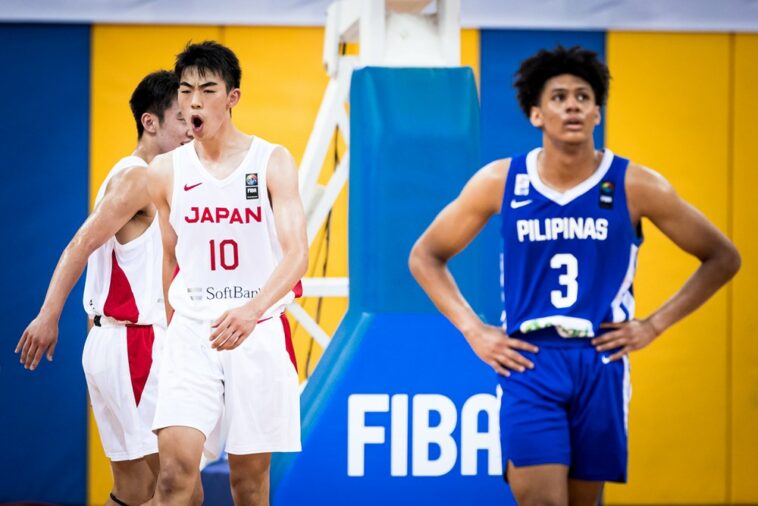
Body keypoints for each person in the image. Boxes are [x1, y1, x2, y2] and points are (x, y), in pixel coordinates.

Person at [408, 45, 740, 506]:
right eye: (559, 96)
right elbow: (425, 255)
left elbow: (723, 257)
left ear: (597, 112)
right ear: (535, 114)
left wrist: (653, 325)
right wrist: (474, 331)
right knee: (540, 501)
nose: (572, 105)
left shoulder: (634, 184)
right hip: (530, 358)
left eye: (583, 97)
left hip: (599, 359)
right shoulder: (502, 181)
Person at [15, 70, 192, 505]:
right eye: (182, 119)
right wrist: (48, 314)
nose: (192, 130)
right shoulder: (137, 179)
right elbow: (80, 244)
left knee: (135, 491)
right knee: (181, 492)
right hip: (135, 347)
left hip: (118, 344)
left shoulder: (151, 177)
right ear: (150, 123)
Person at [148, 41, 307, 505]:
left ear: (232, 97)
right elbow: (169, 260)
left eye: (207, 90)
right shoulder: (164, 171)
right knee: (175, 476)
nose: (193, 101)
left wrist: (251, 311)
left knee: (249, 485)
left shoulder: (272, 161)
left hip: (255, 330)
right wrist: (173, 328)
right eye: (185, 90)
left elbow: (297, 254)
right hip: (193, 333)